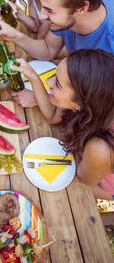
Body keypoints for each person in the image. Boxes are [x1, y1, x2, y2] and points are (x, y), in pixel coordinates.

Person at [0, 0, 114, 107]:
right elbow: (47, 49)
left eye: (50, 10)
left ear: (81, 8)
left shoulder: (109, 47)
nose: (42, 16)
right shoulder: (72, 5)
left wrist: (41, 98)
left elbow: (100, 107)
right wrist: (14, 35)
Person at [11, 49, 114, 200]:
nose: (49, 82)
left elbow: (85, 180)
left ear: (82, 102)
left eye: (57, 84)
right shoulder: (96, 103)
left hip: (100, 185)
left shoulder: (99, 149)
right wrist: (33, 76)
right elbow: (53, 116)